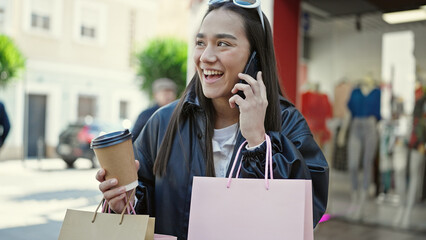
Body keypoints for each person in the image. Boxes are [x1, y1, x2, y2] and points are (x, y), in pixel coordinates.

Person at [96, 1, 329, 239]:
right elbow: (141, 215)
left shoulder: (287, 122)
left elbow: (306, 213)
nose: (205, 57)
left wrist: (258, 142)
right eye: (200, 43)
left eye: (223, 44)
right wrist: (125, 202)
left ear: (255, 56)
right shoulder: (163, 123)